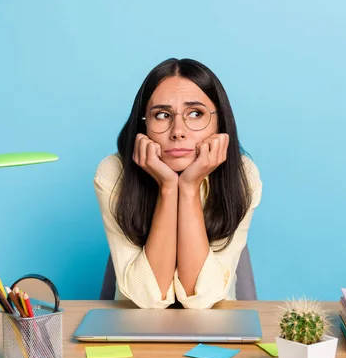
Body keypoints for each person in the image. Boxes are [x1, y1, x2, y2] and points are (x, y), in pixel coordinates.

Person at [94, 57, 262, 309]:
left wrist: (190, 187)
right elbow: (151, 298)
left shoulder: (242, 175)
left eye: (195, 113)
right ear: (143, 125)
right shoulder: (113, 172)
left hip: (216, 324)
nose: (178, 131)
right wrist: (168, 187)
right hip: (135, 327)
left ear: (219, 121)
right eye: (162, 115)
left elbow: (201, 299)